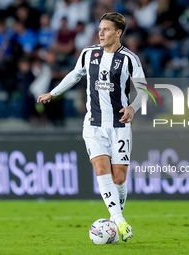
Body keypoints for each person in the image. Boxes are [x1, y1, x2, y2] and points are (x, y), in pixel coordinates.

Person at [37, 12, 146, 242]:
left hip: (119, 125)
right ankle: (120, 222)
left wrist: (133, 108)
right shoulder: (89, 54)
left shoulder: (129, 59)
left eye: (106, 29)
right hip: (94, 125)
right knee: (101, 170)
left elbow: (144, 90)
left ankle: (115, 221)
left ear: (118, 33)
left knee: (119, 178)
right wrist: (53, 93)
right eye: (99, 29)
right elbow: (75, 74)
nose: (100, 33)